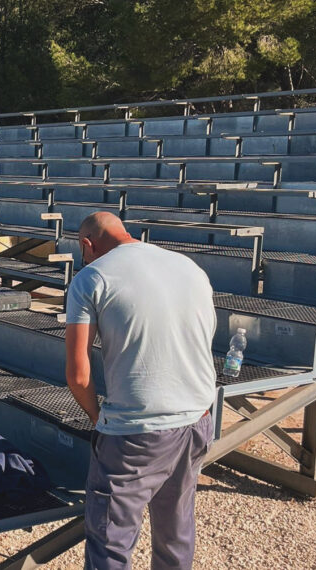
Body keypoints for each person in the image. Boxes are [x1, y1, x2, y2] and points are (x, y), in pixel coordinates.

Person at [64, 212, 216, 569]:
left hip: (135, 431)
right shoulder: (189, 268)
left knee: (110, 542)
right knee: (176, 532)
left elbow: (78, 374)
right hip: (196, 419)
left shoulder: (90, 278)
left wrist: (97, 417)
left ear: (88, 244)